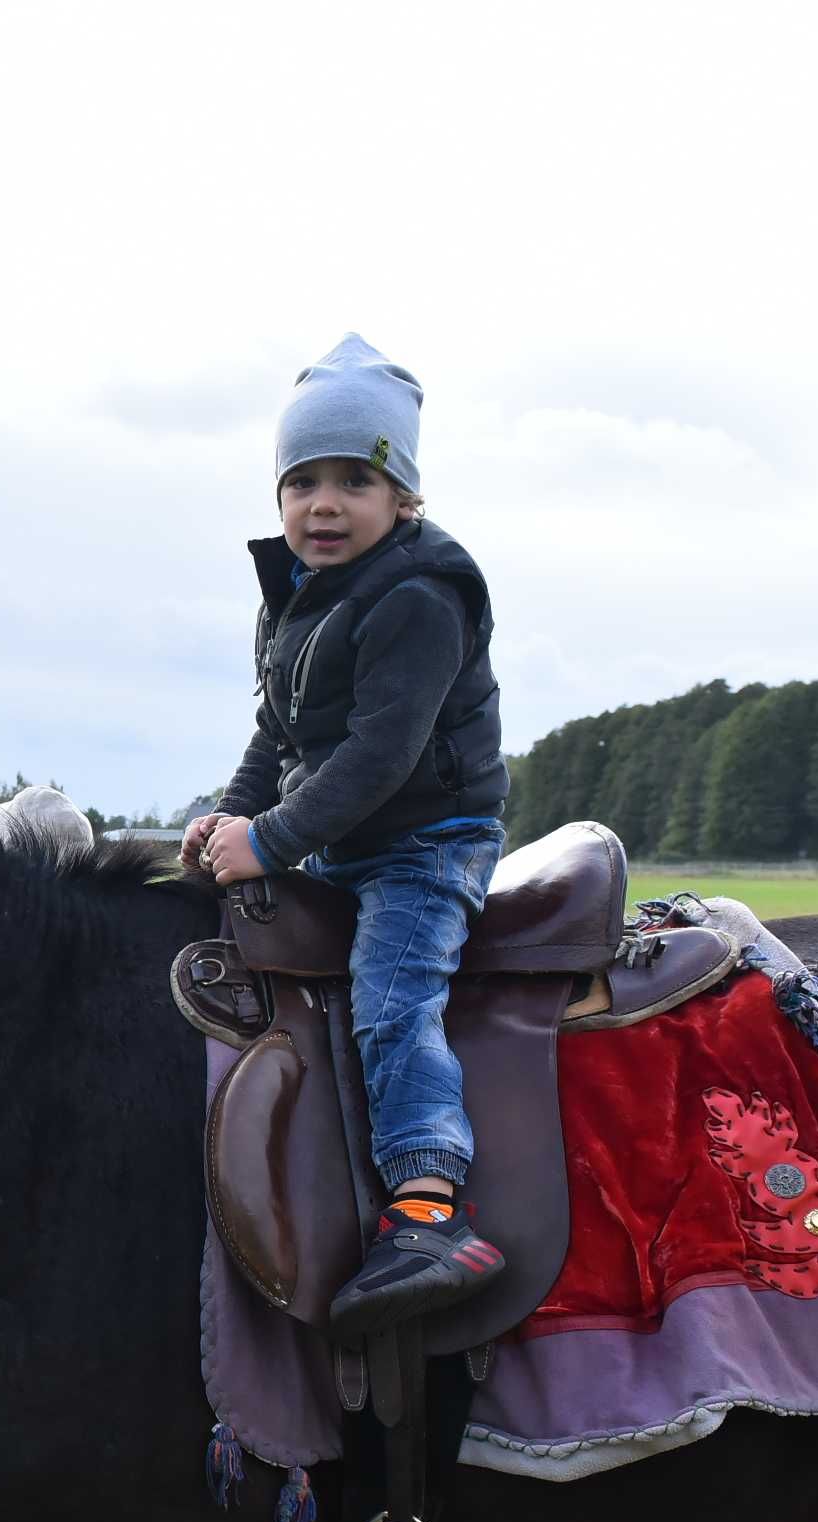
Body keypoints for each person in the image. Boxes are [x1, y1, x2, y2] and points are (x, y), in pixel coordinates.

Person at [183, 333, 510, 1341]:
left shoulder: (418, 595)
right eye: (302, 481)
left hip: (423, 840)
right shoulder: (294, 595)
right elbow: (277, 731)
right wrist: (228, 821)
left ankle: (425, 1203)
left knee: (389, 996)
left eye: (354, 481)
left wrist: (272, 839)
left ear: (402, 497)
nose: (322, 505)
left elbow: (378, 756)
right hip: (339, 835)